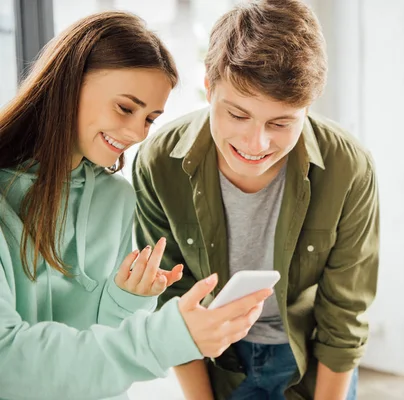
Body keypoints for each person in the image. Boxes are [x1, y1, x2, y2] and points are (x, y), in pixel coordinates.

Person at [0, 11, 270, 400]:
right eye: (126, 108)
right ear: (69, 82)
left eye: (150, 119)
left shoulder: (116, 197)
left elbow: (100, 352)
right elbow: (9, 364)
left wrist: (124, 299)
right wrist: (167, 339)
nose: (135, 133)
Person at [132, 0, 380, 399]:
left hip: (313, 363)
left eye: (281, 123)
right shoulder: (160, 161)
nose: (255, 143)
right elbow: (172, 301)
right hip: (215, 362)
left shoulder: (348, 167)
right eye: (237, 114)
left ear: (308, 107)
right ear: (209, 88)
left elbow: (345, 315)